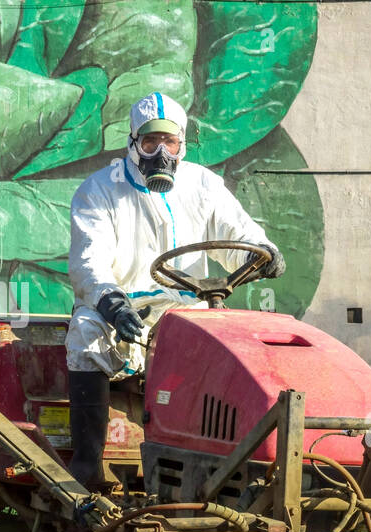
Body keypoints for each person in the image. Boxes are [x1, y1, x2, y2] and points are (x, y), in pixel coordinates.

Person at [65, 91, 285, 490]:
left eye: (171, 143)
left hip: (188, 311)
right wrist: (111, 303)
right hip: (123, 311)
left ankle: (229, 469)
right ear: (133, 143)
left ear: (182, 144)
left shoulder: (203, 184)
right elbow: (88, 261)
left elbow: (238, 235)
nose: (161, 154)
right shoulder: (99, 190)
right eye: (151, 143)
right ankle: (87, 467)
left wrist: (264, 252)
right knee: (86, 336)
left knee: (238, 353)